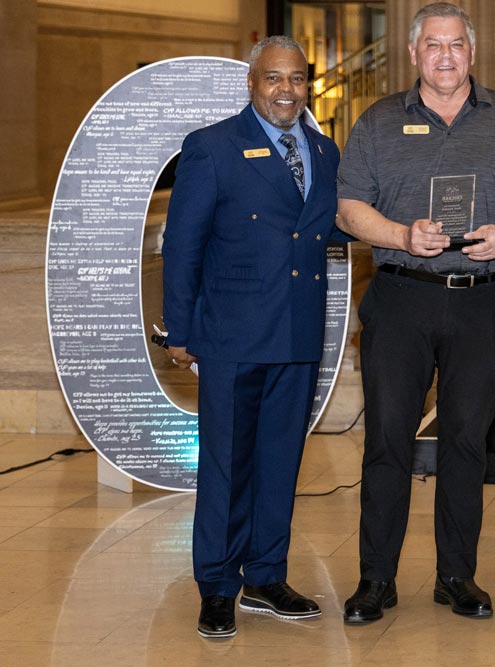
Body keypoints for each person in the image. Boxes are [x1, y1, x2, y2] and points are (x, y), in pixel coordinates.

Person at [335, 2, 495, 625]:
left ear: (471, 51)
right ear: (413, 54)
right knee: (386, 441)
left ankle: (457, 575)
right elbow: (348, 207)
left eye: (455, 44)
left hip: (481, 298)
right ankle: (375, 579)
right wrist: (403, 236)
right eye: (432, 44)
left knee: (466, 441)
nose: (444, 55)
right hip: (401, 296)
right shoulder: (378, 123)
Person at [161, 35, 349, 638]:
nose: (285, 91)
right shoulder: (212, 147)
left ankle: (265, 576)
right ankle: (216, 584)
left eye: (296, 80)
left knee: (279, 460)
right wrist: (180, 330)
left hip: (296, 332)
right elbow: (183, 247)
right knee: (227, 465)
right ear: (252, 82)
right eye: (274, 79)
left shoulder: (324, 149)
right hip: (231, 335)